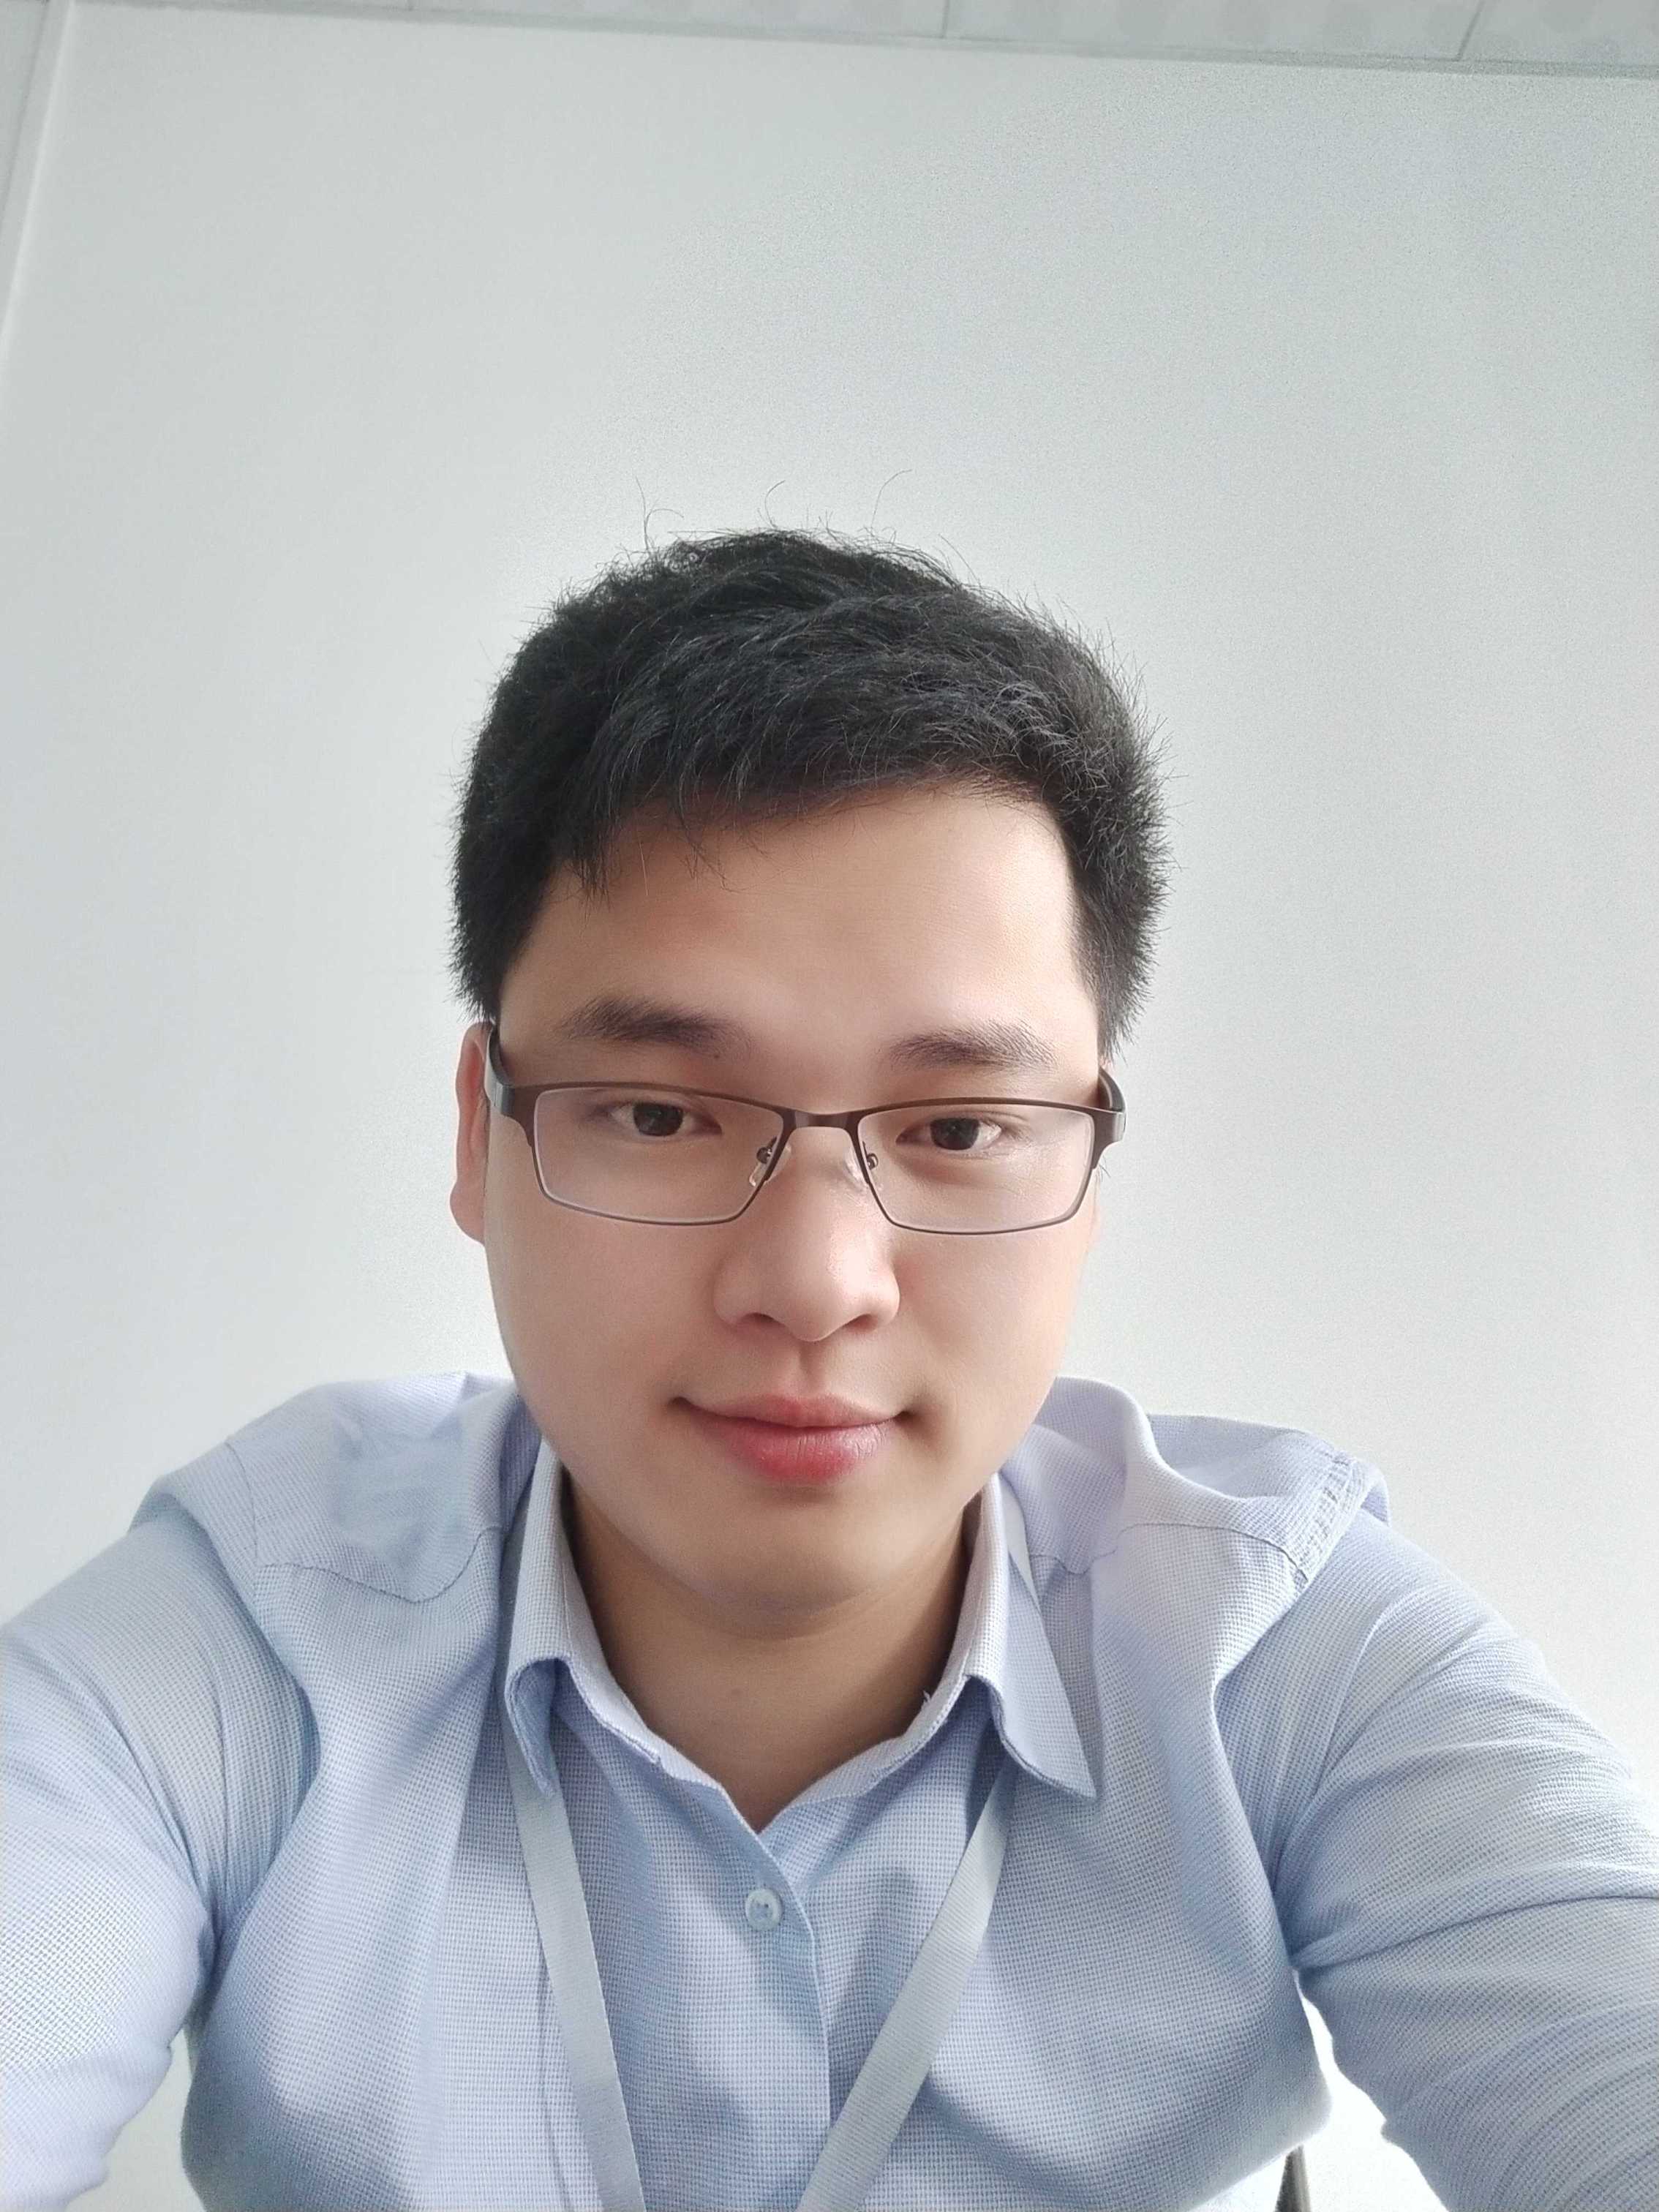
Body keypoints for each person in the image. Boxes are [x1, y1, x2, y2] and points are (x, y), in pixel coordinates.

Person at [2, 527, 1655, 2212]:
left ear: (1089, 1167)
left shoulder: (1278, 1655)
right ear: (480, 1140)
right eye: (661, 1113)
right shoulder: (250, 1641)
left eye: (960, 1129)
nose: (814, 1283)